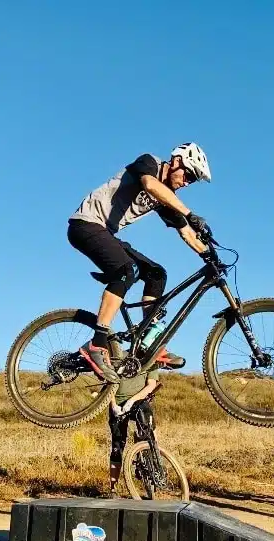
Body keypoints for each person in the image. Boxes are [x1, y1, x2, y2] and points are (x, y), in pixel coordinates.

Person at [67, 143, 213, 383]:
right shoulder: (149, 163)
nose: (187, 183)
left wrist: (209, 254)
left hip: (105, 233)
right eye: (188, 175)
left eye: (192, 181)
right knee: (126, 270)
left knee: (156, 274)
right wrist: (189, 213)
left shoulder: (165, 197)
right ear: (176, 161)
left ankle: (148, 343)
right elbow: (150, 184)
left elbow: (186, 232)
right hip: (85, 225)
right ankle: (97, 344)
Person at [106, 362, 160, 498]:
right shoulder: (118, 357)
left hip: (139, 401)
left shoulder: (150, 359)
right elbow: (108, 382)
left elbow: (151, 384)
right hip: (118, 402)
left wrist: (132, 400)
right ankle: (113, 488)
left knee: (149, 435)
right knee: (117, 445)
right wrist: (113, 405)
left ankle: (154, 472)